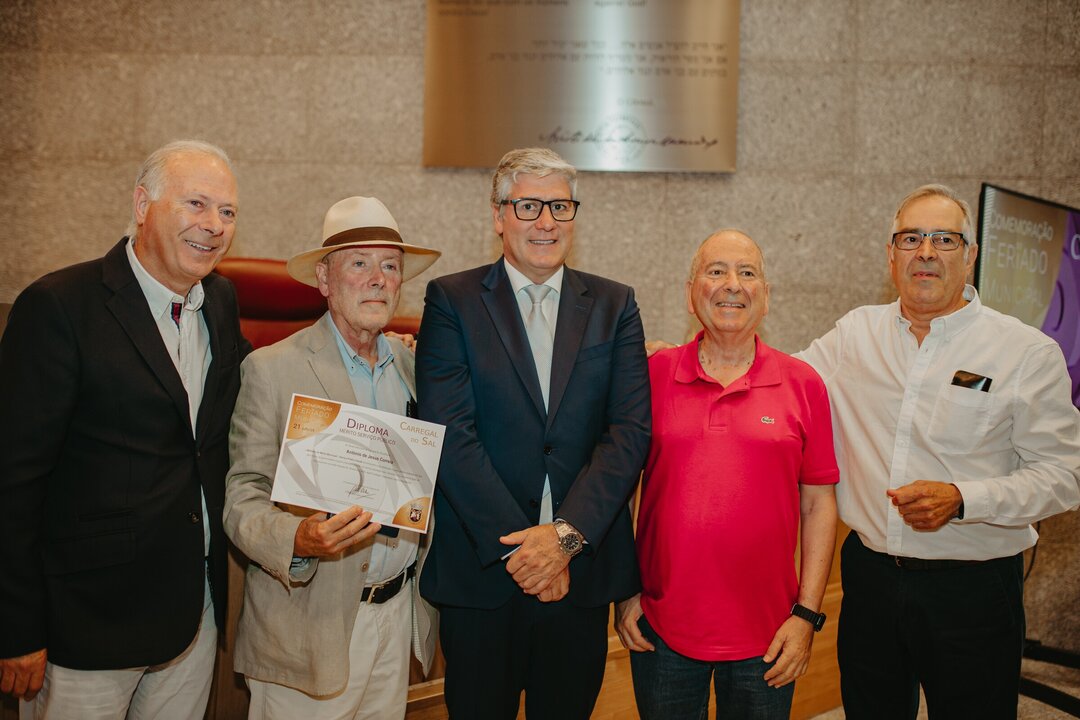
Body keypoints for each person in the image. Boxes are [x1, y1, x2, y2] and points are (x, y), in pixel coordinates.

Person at [797, 184, 1080, 719]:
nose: (926, 252)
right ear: (891, 254)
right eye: (911, 238)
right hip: (871, 580)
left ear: (970, 255)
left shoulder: (1025, 352)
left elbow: (1064, 475)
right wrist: (684, 358)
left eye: (944, 239)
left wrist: (963, 498)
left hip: (974, 590)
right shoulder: (855, 334)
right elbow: (779, 383)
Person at [0, 140, 246, 718]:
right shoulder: (59, 307)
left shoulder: (220, 300)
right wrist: (15, 626)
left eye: (227, 211)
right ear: (142, 204)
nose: (213, 226)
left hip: (193, 614)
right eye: (195, 204)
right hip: (86, 625)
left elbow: (247, 394)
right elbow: (12, 480)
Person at [415, 147, 651, 719]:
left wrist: (563, 541)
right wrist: (528, 553)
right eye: (528, 206)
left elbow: (628, 434)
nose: (546, 221)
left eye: (560, 206)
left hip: (580, 575)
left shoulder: (614, 304)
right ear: (499, 215)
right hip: (484, 577)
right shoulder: (452, 301)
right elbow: (450, 434)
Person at [223, 196, 441, 719]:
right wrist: (297, 539)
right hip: (306, 625)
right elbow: (242, 497)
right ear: (324, 278)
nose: (378, 279)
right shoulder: (271, 368)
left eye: (390, 266)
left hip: (397, 620)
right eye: (359, 263)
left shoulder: (416, 368)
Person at [615, 230, 839, 719]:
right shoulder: (651, 374)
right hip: (661, 627)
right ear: (691, 292)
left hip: (770, 634)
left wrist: (806, 615)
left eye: (747, 272)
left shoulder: (804, 384)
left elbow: (819, 503)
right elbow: (619, 489)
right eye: (715, 271)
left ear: (766, 295)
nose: (732, 284)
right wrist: (625, 593)